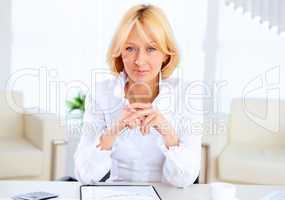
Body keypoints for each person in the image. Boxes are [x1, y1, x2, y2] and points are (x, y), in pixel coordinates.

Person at [74, 4, 201, 188]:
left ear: (166, 54)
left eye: (151, 49)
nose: (139, 61)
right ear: (120, 53)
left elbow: (185, 179)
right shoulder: (101, 94)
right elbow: (84, 175)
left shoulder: (187, 94)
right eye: (130, 49)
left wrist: (166, 131)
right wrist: (114, 130)